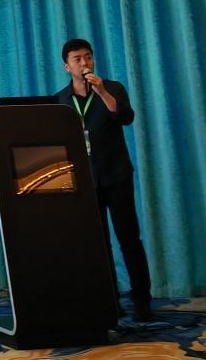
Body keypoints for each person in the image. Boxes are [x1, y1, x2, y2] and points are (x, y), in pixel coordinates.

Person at [55, 37, 153, 322]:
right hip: (85, 181)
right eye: (77, 59)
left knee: (129, 239)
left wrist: (101, 92)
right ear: (67, 66)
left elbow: (125, 117)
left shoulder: (112, 88)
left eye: (88, 56)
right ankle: (110, 301)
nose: (84, 62)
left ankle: (142, 301)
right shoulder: (60, 100)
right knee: (99, 244)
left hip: (116, 174)